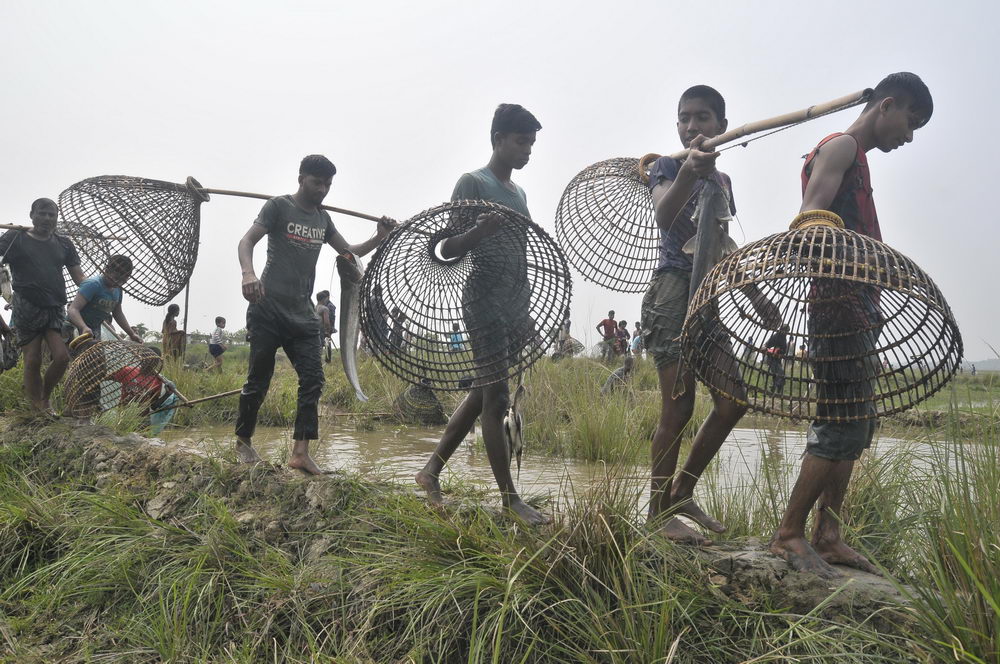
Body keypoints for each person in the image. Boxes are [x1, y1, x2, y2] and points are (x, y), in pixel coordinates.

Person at [769, 72, 934, 578]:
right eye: (911, 123)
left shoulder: (859, 164)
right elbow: (810, 219)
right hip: (836, 305)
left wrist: (879, 270)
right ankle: (789, 533)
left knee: (857, 423)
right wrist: (863, 265)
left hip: (858, 305)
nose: (908, 137)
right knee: (839, 420)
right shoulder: (839, 147)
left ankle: (829, 534)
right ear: (888, 105)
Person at [642, 85, 779, 544]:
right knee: (678, 406)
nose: (691, 126)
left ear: (722, 126)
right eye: (684, 118)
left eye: (702, 118)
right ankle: (657, 515)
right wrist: (687, 172)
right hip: (671, 291)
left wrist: (761, 302)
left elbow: (722, 245)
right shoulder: (666, 165)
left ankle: (682, 490)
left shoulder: (723, 183)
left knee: (733, 401)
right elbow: (663, 215)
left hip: (706, 296)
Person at [415, 103, 549, 525]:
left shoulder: (519, 194)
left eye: (531, 143)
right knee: (497, 397)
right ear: (497, 140)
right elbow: (448, 249)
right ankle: (509, 499)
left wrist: (525, 311)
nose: (527, 151)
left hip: (513, 302)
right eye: (520, 141)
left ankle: (429, 471)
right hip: (483, 300)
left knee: (483, 392)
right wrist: (478, 232)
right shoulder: (473, 183)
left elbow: (521, 254)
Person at [236, 154, 394, 474]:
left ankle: (300, 452)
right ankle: (243, 441)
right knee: (259, 379)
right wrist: (247, 274)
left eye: (328, 184)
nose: (322, 189)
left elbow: (350, 253)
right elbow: (247, 241)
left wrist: (379, 236)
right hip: (267, 307)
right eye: (316, 182)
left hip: (302, 312)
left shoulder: (323, 220)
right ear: (301, 179)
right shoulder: (278, 207)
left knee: (313, 379)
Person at [0, 198, 85, 414]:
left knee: (62, 357)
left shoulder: (64, 243)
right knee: (33, 359)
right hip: (26, 306)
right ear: (32, 215)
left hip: (55, 306)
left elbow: (79, 278)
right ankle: (36, 407)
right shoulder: (14, 238)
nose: (47, 218)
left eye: (52, 215)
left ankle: (45, 399)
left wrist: (101, 286)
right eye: (42, 213)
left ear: (56, 218)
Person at [67, 255, 144, 344]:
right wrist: (83, 327)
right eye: (116, 278)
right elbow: (73, 309)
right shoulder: (93, 284)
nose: (118, 282)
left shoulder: (118, 290)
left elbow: (118, 314)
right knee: (70, 357)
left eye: (122, 280)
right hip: (74, 327)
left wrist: (131, 334)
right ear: (106, 270)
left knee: (98, 357)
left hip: (94, 329)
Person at [763, 324, 790, 393]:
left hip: (777, 359)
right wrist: (773, 349)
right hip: (771, 358)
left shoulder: (784, 338)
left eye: (787, 331)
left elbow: (784, 349)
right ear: (782, 330)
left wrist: (781, 350)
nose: (786, 332)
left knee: (777, 374)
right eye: (785, 331)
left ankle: (774, 388)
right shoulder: (776, 336)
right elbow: (767, 345)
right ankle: (774, 387)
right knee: (779, 373)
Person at [315, 291, 335, 363]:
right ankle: (327, 361)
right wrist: (328, 331)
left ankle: (316, 361)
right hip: (323, 331)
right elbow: (326, 322)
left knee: (318, 347)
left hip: (315, 330)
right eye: (326, 298)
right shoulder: (325, 309)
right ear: (323, 299)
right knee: (327, 345)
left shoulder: (315, 307)